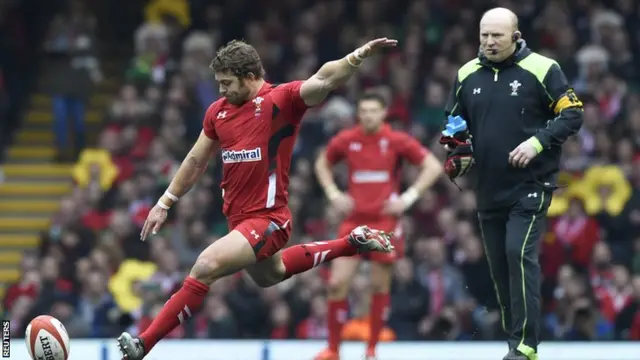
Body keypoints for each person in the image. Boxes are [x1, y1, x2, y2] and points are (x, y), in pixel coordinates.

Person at [116, 37, 398, 360]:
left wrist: (357, 56)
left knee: (205, 266)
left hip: (269, 220)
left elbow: (324, 79)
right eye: (219, 83)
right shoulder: (218, 113)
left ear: (250, 77)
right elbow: (196, 160)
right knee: (271, 275)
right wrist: (165, 202)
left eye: (227, 83)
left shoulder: (281, 100)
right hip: (238, 220)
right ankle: (352, 242)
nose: (222, 91)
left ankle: (143, 344)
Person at [441, 7, 583, 360]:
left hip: (530, 185)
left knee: (517, 254)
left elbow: (573, 113)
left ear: (516, 36)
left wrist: (536, 143)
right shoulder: (466, 74)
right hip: (488, 189)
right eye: (484, 35)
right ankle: (514, 344)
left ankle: (526, 347)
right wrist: (458, 150)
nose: (489, 42)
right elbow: (454, 123)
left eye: (497, 36)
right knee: (501, 271)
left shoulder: (543, 68)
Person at [314, 92, 442, 360]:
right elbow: (322, 162)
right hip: (353, 221)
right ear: (358, 113)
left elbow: (432, 166)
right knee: (336, 283)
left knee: (378, 287)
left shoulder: (396, 141)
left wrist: (408, 198)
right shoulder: (348, 140)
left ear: (384, 113)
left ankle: (371, 349)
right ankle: (333, 350)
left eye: (373, 110)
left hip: (384, 222)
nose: (368, 115)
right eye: (363, 110)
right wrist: (333, 193)